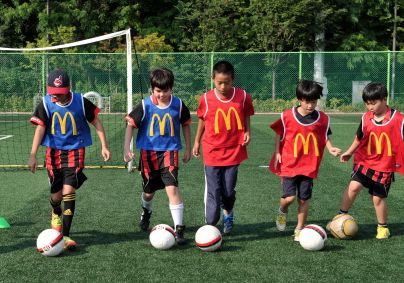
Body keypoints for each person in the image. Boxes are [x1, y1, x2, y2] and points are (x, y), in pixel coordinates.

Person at [28, 69, 111, 250]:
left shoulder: (80, 101)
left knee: (68, 190)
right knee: (56, 196)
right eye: (53, 93)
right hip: (53, 153)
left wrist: (104, 145)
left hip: (75, 151)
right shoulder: (46, 103)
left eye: (60, 93)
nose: (56, 96)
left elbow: (96, 121)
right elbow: (40, 128)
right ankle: (55, 211)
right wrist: (33, 154)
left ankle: (65, 235)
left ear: (69, 88)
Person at [123, 68, 191, 245]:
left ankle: (179, 229)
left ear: (172, 88)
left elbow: (185, 124)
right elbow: (130, 124)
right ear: (152, 89)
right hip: (148, 154)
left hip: (170, 152)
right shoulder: (145, 105)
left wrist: (189, 147)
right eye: (158, 91)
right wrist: (126, 148)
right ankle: (146, 212)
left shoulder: (178, 104)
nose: (162, 94)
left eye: (165, 90)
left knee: (172, 188)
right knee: (148, 193)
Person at [269, 80, 341, 241]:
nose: (310, 105)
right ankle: (282, 210)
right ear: (300, 99)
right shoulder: (287, 116)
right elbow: (279, 133)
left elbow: (324, 136)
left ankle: (299, 229)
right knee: (289, 198)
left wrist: (331, 148)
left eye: (314, 102)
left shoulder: (322, 119)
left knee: (304, 199)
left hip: (309, 165)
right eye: (307, 101)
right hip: (289, 163)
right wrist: (277, 152)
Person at [332, 82, 404, 239]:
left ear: (384, 100)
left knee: (378, 198)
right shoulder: (366, 118)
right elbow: (359, 138)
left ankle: (382, 227)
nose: (370, 107)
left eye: (373, 103)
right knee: (353, 187)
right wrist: (349, 153)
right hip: (364, 162)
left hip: (384, 166)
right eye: (367, 104)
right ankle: (340, 216)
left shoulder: (399, 119)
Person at [192, 60, 255, 234]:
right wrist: (197, 141)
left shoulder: (243, 97)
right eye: (219, 82)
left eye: (226, 82)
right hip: (211, 151)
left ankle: (228, 212)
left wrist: (247, 131)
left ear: (232, 80)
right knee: (214, 190)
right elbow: (203, 120)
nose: (222, 86)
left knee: (228, 191)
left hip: (234, 150)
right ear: (213, 79)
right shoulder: (205, 98)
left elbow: (247, 114)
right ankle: (211, 226)